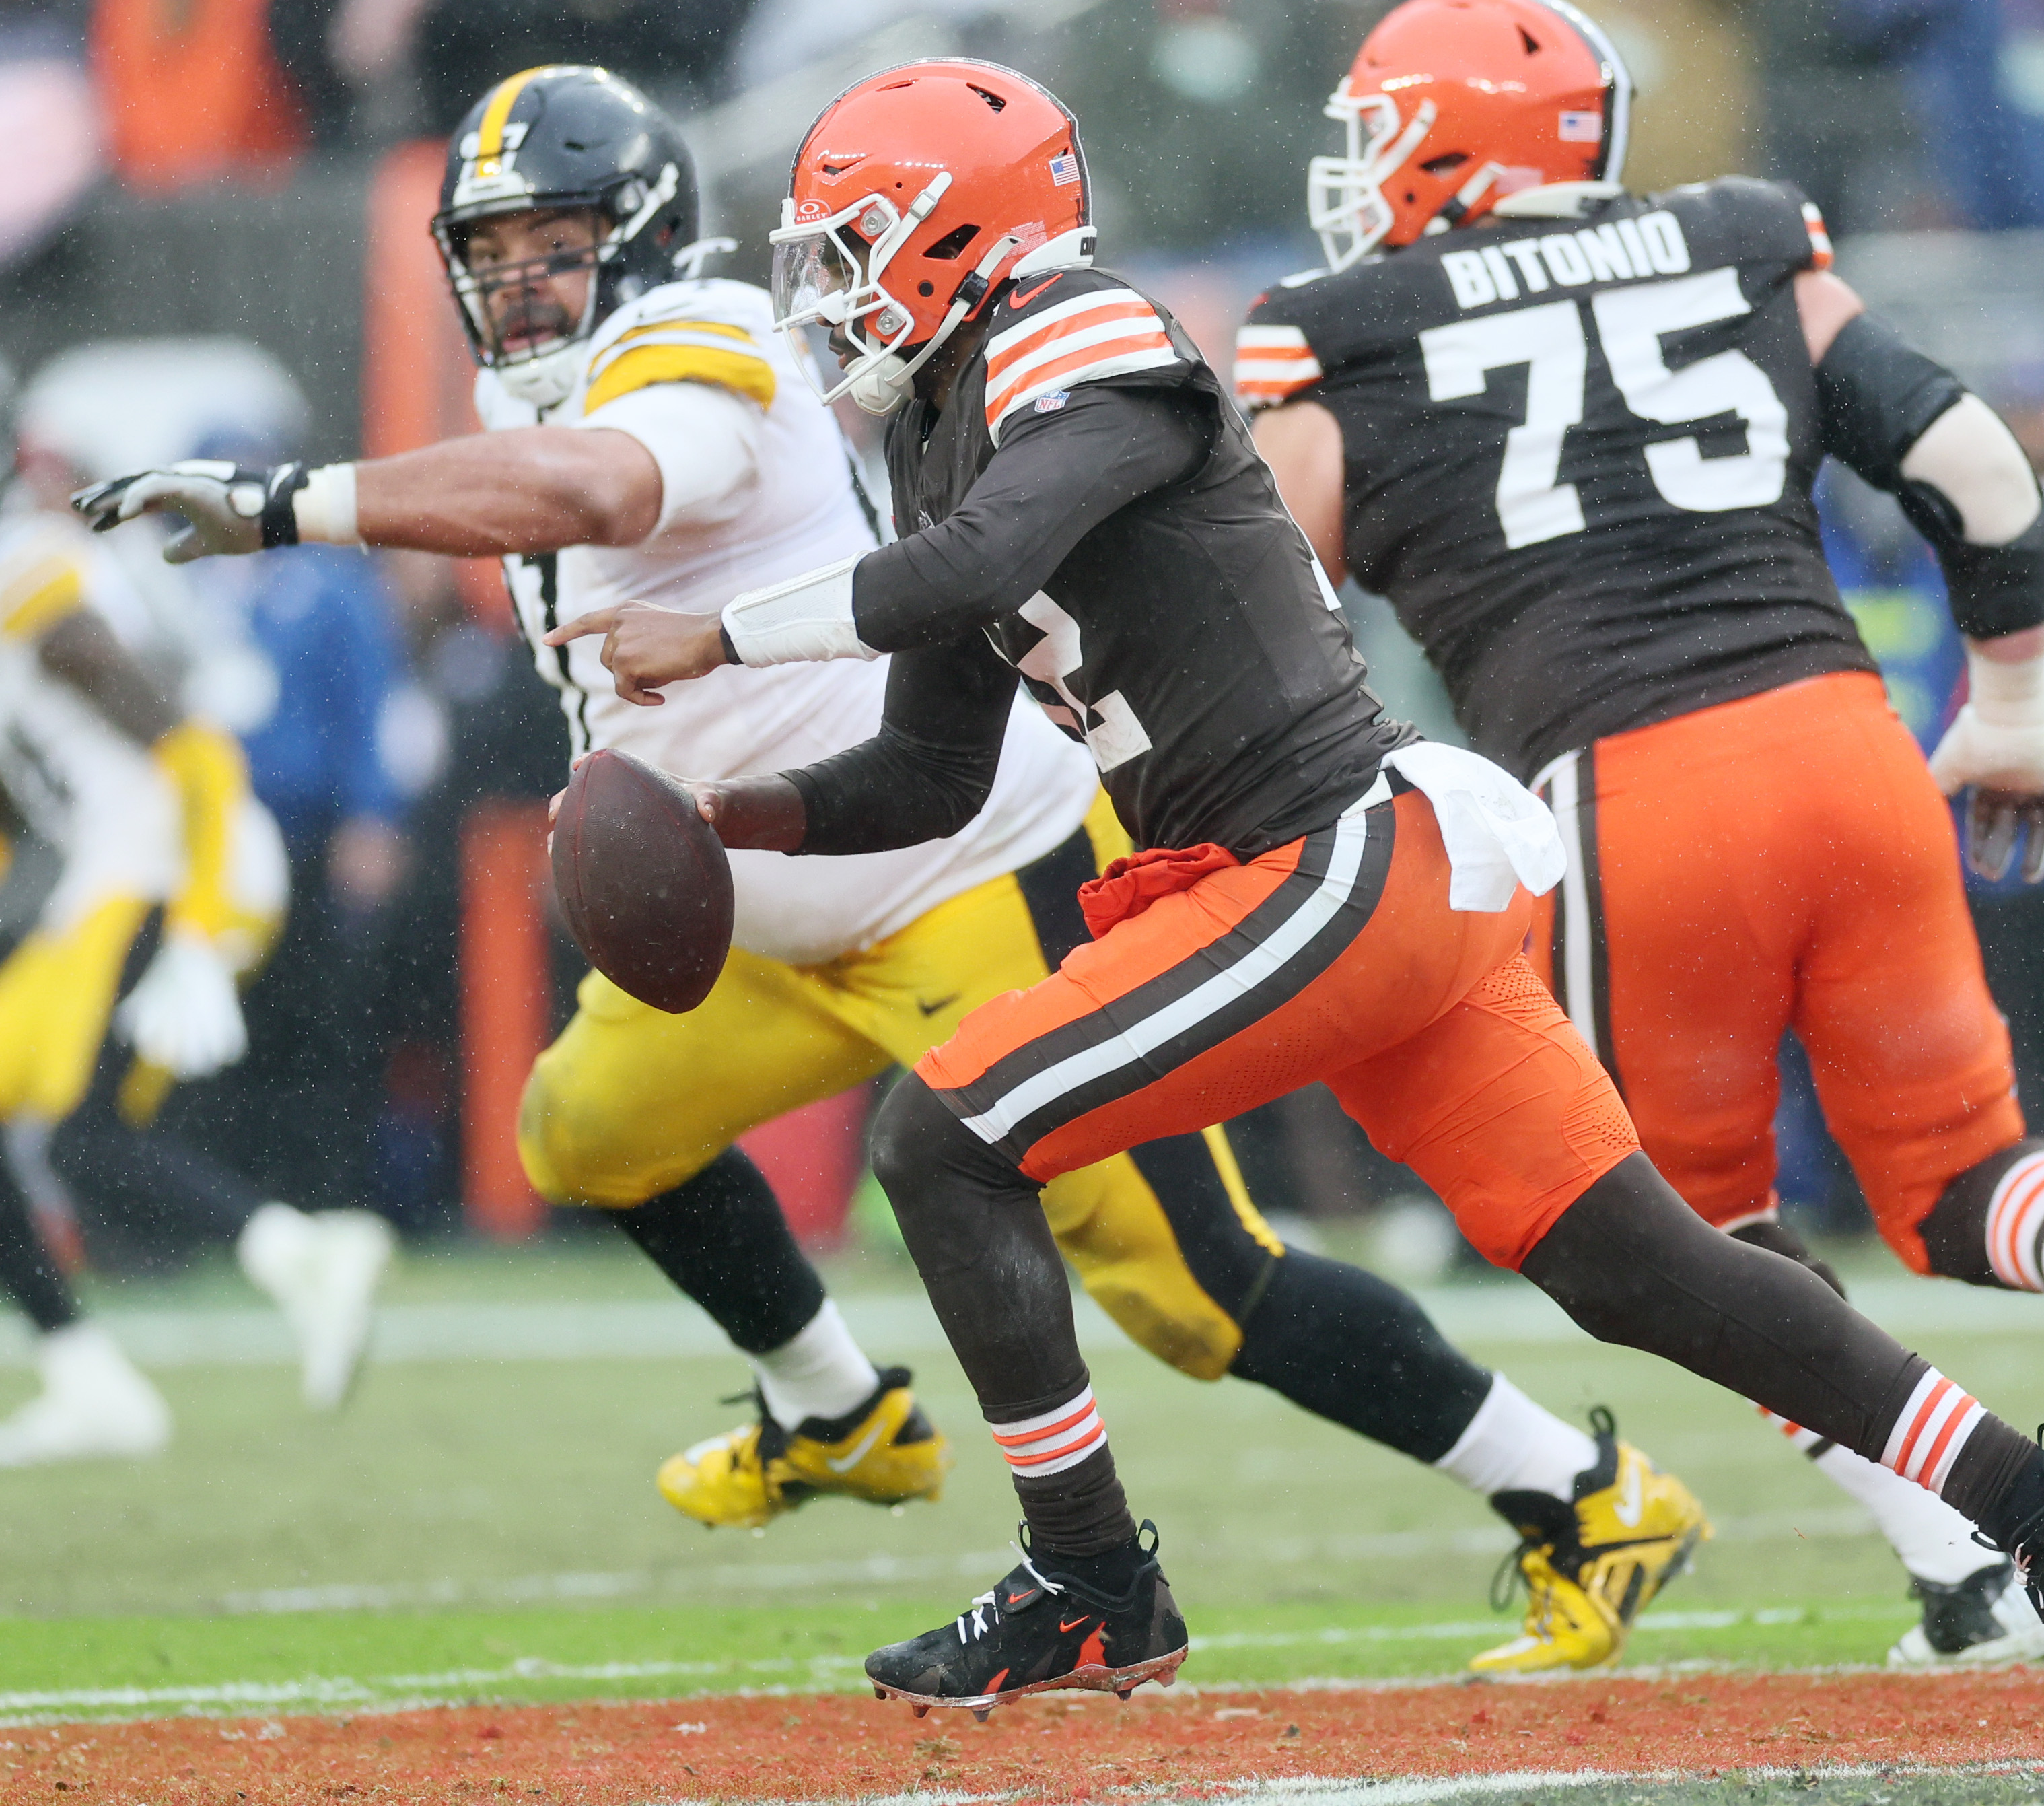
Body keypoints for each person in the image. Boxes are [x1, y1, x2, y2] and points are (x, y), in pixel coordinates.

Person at [553, 57, 2044, 1751]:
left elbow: (967, 572)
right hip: (1343, 880)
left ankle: (1092, 1579)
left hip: (1322, 859)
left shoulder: (1076, 331)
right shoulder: (949, 425)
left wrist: (730, 632)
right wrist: (725, 816)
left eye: (860, 241)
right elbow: (929, 777)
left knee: (942, 1138)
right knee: (1638, 1266)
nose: (835, 286)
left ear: (970, 227)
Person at [74, 63, 1712, 1677]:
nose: (519, 289)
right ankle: (833, 1403)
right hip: (763, 898)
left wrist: (296, 506)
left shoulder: (694, 341)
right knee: (586, 1127)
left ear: (642, 241)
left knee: (1197, 1293)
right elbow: (542, 479)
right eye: (490, 259)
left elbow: (603, 486)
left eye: (552, 249)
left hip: (955, 873)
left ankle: (1583, 1492)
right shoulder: (527, 398)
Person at [1235, 0, 2044, 1665]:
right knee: (1957, 1174)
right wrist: (2011, 708)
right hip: (1850, 743)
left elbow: (1259, 610)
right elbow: (1967, 459)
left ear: (1457, 142)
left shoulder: (1336, 329)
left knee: (1674, 1243)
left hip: (1626, 791)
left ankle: (1966, 1561)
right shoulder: (1735, 238)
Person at [0, 373, 395, 1465]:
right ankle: (98, 1371)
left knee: (84, 1137)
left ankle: (292, 1260)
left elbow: (196, 752)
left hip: (184, 867)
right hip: (115, 876)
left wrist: (197, 937)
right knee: (70, 1138)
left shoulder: (30, 574)